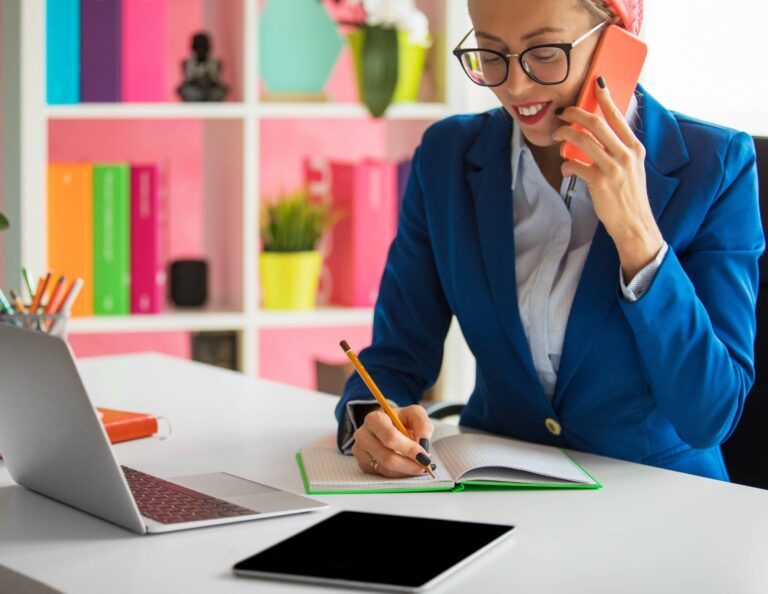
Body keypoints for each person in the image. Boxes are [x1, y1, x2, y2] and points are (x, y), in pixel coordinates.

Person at [335, 0, 765, 481]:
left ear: (616, 39)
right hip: (497, 491)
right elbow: (395, 355)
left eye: (543, 52)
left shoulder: (716, 166)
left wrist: (637, 233)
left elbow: (711, 414)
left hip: (659, 500)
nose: (514, 87)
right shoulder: (448, 156)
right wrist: (370, 420)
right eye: (491, 53)